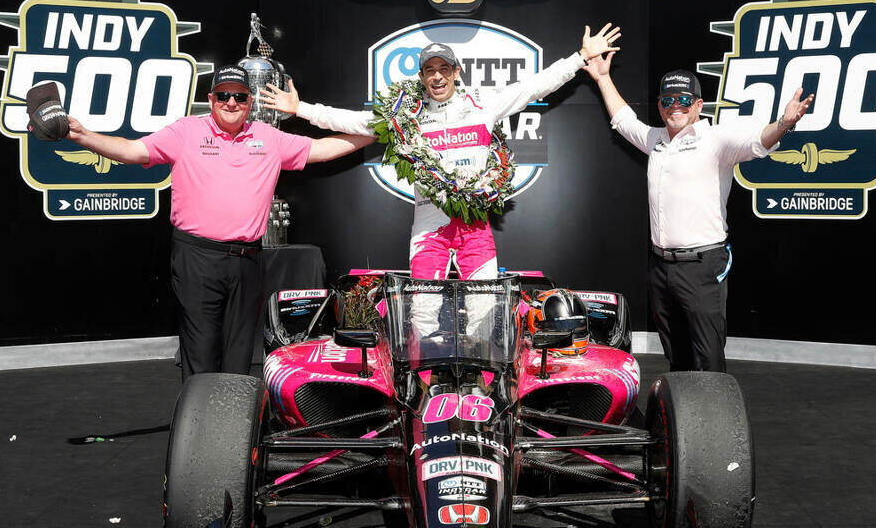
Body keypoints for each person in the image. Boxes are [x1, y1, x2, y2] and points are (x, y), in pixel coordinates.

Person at [260, 26, 620, 336]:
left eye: (443, 68)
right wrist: (301, 109)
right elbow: (357, 122)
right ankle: (424, 396)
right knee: (422, 318)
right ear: (421, 77)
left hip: (474, 229)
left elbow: (536, 86)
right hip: (429, 230)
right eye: (429, 70)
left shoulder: (483, 105)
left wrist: (579, 57)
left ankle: (481, 397)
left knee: (484, 317)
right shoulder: (407, 116)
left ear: (455, 71)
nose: (436, 76)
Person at [64, 65, 374, 379]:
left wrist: (378, 132)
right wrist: (81, 135)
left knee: (239, 356)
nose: (231, 103)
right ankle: (199, 425)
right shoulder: (185, 132)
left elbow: (323, 150)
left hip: (247, 261)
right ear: (211, 99)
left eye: (239, 97)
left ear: (250, 102)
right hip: (196, 258)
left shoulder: (268, 137)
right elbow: (132, 150)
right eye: (223, 95)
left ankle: (234, 423)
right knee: (200, 352)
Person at [584, 48, 813, 372]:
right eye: (667, 101)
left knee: (708, 359)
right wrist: (604, 78)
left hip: (702, 267)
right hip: (661, 267)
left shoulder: (715, 139)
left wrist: (784, 123)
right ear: (661, 106)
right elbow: (623, 120)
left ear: (698, 105)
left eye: (683, 100)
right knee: (676, 358)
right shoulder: (655, 140)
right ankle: (683, 421)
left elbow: (758, 142)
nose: (674, 107)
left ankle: (714, 423)